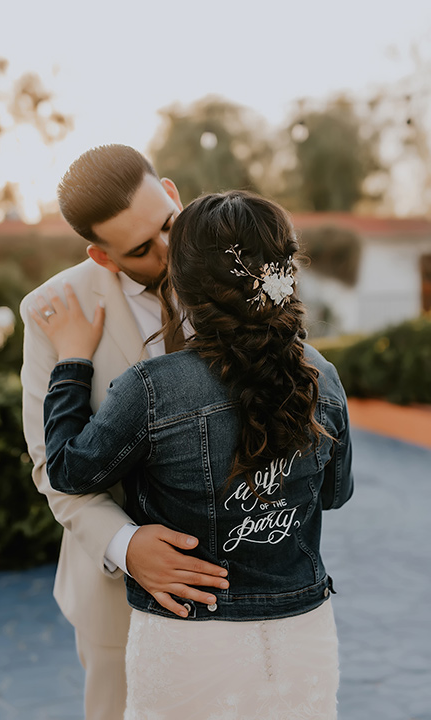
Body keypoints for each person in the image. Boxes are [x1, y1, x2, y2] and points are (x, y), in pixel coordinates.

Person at [33, 190, 353, 719]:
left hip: (189, 638)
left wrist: (71, 363)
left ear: (184, 286)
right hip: (302, 634)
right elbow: (335, 493)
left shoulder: (152, 388)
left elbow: (68, 469)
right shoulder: (321, 374)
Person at [19, 145, 228, 720]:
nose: (168, 252)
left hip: (244, 578)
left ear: (173, 192)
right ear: (102, 256)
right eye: (140, 249)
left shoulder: (236, 262)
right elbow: (51, 466)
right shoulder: (50, 310)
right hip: (119, 602)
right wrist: (127, 547)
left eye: (168, 224)